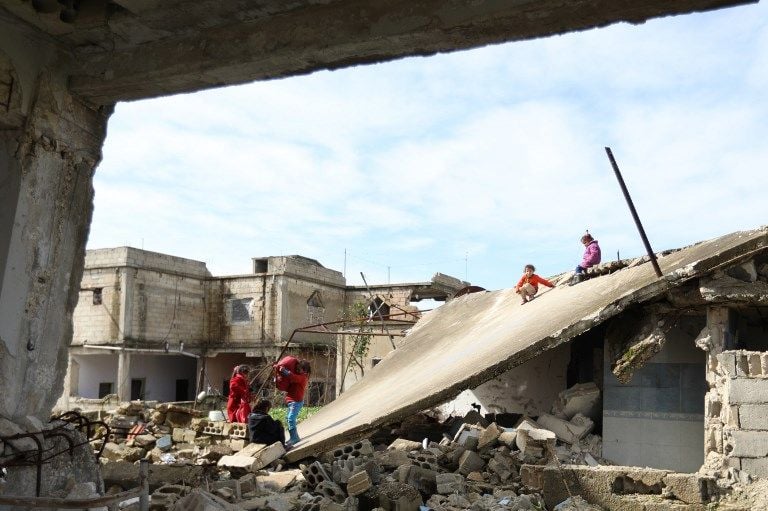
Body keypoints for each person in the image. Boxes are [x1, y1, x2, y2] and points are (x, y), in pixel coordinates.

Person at [274, 355, 311, 447]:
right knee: (288, 419)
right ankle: (294, 437)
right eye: (297, 368)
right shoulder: (299, 375)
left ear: (305, 371)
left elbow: (292, 377)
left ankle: (295, 438)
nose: (298, 370)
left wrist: (283, 370)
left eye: (300, 369)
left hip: (296, 401)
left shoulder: (303, 377)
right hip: (292, 401)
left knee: (291, 419)